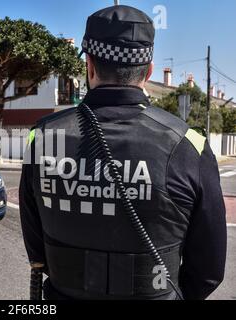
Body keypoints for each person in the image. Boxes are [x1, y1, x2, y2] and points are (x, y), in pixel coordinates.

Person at [19, 5, 227, 300]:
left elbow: (36, 249)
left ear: (89, 65)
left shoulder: (41, 136)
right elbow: (208, 271)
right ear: (149, 70)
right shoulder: (189, 145)